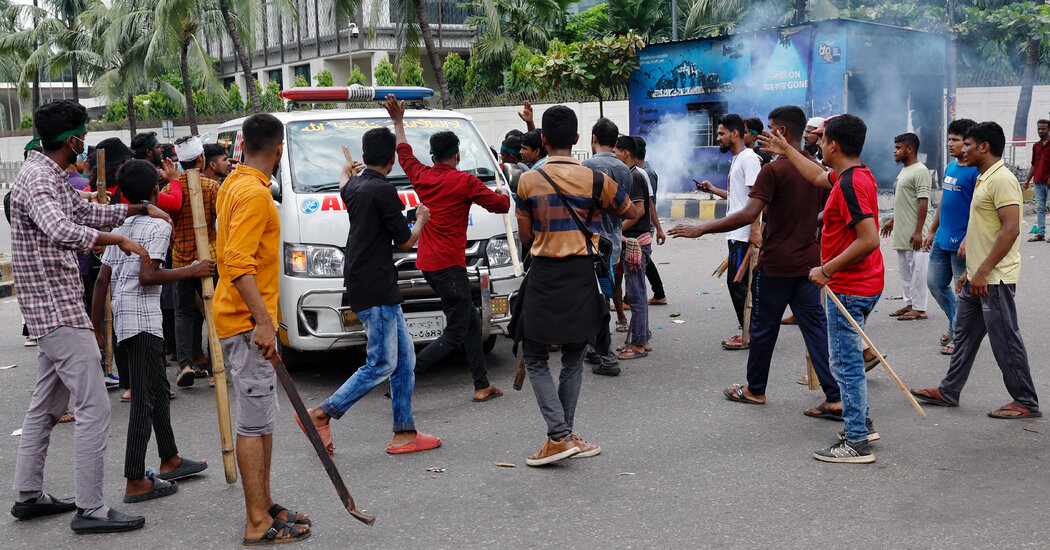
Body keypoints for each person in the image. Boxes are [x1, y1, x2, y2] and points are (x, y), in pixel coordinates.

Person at [9, 100, 170, 533]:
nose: (88, 140)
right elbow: (62, 231)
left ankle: (28, 495)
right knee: (95, 407)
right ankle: (92, 509)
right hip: (56, 307)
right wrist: (117, 238)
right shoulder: (40, 178)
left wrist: (134, 210)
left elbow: (81, 212)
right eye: (84, 132)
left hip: (52, 305)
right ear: (72, 139)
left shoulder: (47, 173)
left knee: (47, 403)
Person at [669, 105, 843, 419]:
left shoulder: (774, 170)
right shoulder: (817, 169)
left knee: (763, 329)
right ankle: (835, 397)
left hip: (776, 265)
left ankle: (756, 390)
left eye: (769, 129)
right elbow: (824, 215)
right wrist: (802, 224)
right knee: (816, 330)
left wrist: (701, 228)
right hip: (808, 265)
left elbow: (750, 214)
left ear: (783, 134)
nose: (761, 136)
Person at [302, 126, 441, 456]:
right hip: (375, 284)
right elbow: (405, 240)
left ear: (364, 159)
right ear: (392, 160)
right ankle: (322, 413)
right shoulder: (382, 190)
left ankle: (405, 432)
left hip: (372, 281)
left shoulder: (355, 186)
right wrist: (421, 218)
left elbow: (342, 187)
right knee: (381, 363)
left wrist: (344, 172)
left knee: (405, 359)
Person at [513, 105, 638, 466]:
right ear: (578, 139)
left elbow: (525, 235)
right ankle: (564, 435)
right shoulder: (594, 180)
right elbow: (630, 212)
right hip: (582, 276)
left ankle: (558, 436)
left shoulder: (527, 181)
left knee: (536, 357)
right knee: (573, 357)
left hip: (544, 274)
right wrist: (595, 214)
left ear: (544, 140)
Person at [214, 113, 312, 545]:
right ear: (279, 149)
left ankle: (264, 504)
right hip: (245, 322)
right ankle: (256, 522)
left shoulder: (233, 182)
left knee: (262, 420)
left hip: (240, 319)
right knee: (254, 424)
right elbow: (238, 262)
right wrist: (264, 321)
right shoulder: (251, 193)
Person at [763, 114, 885, 462]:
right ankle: (861, 422)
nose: (817, 144)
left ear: (834, 144)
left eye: (821, 140)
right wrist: (787, 149)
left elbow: (869, 239)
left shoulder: (849, 184)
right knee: (847, 360)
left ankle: (857, 442)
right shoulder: (853, 174)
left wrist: (826, 269)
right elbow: (817, 174)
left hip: (848, 285)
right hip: (862, 282)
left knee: (845, 364)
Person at [91, 159, 213, 502]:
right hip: (143, 321)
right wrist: (191, 270)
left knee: (158, 389)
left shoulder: (124, 223)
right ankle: (134, 479)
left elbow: (103, 280)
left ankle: (170, 458)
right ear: (155, 192)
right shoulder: (159, 226)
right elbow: (148, 276)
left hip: (127, 319)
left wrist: (97, 327)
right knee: (144, 400)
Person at [911, 122, 1041, 419]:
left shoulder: (1002, 180)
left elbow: (1010, 231)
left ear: (985, 147)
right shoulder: (984, 177)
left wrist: (982, 271)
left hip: (993, 278)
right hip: (978, 275)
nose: (963, 149)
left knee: (1005, 339)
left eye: (968, 144)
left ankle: (1025, 401)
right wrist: (971, 272)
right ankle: (949, 390)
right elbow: (985, 229)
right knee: (964, 336)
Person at [386, 95, 511, 402]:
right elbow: (500, 205)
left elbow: (404, 153)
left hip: (428, 263)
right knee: (457, 330)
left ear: (433, 155)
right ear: (456, 155)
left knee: (469, 323)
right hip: (449, 266)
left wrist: (398, 122)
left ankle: (481, 384)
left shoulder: (421, 176)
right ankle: (403, 380)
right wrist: (506, 188)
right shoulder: (465, 181)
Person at [695, 114, 762, 350]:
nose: (718, 138)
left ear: (735, 133)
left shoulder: (749, 159)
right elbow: (739, 197)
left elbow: (758, 197)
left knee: (738, 284)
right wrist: (713, 190)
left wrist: (755, 230)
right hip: (736, 234)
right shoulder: (738, 159)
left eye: (722, 133)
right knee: (740, 284)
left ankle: (750, 334)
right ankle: (749, 330)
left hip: (743, 235)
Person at [163, 136, 221, 387]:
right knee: (213, 312)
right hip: (209, 258)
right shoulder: (210, 187)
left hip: (182, 261)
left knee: (184, 313)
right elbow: (221, 219)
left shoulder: (169, 189)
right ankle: (215, 366)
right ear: (201, 159)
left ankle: (185, 364)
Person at [922, 119, 980, 355]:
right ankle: (956, 324)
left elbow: (979, 211)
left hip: (962, 243)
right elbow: (944, 201)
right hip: (942, 238)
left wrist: (969, 238)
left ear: (967, 143)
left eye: (955, 140)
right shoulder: (949, 168)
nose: (950, 143)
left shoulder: (976, 173)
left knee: (961, 291)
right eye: (949, 138)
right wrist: (933, 229)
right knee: (935, 283)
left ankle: (961, 335)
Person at [582, 117, 633, 376]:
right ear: (615, 142)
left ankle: (602, 351)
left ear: (593, 138)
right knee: (603, 295)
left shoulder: (587, 166)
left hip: (591, 244)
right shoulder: (625, 169)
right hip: (613, 244)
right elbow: (627, 210)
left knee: (596, 299)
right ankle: (596, 347)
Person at [881, 133, 932, 321]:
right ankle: (910, 304)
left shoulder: (920, 171)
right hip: (903, 233)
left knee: (918, 273)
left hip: (916, 233)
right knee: (905, 272)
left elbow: (923, 202)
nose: (895, 151)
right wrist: (893, 221)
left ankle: (920, 309)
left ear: (909, 149)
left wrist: (919, 231)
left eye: (898, 148)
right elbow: (904, 201)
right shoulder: (904, 170)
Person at [614, 136, 653, 360]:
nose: (615, 156)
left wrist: (617, 229)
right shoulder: (631, 175)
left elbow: (638, 210)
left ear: (625, 153)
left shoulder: (635, 176)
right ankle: (641, 339)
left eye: (616, 152)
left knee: (636, 295)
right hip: (634, 240)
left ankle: (639, 344)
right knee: (636, 292)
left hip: (635, 242)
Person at [636, 137, 667, 306]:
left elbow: (649, 204)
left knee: (639, 260)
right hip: (644, 222)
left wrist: (656, 228)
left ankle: (631, 298)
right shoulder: (642, 170)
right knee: (644, 260)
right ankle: (659, 293)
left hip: (644, 223)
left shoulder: (645, 172)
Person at [1022, 119, 1050, 241]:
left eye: (1043, 128)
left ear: (1048, 129)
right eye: (1039, 128)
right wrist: (1028, 180)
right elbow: (1033, 164)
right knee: (1040, 208)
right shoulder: (1036, 146)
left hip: (1049, 182)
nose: (1040, 131)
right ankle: (1040, 233)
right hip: (1038, 182)